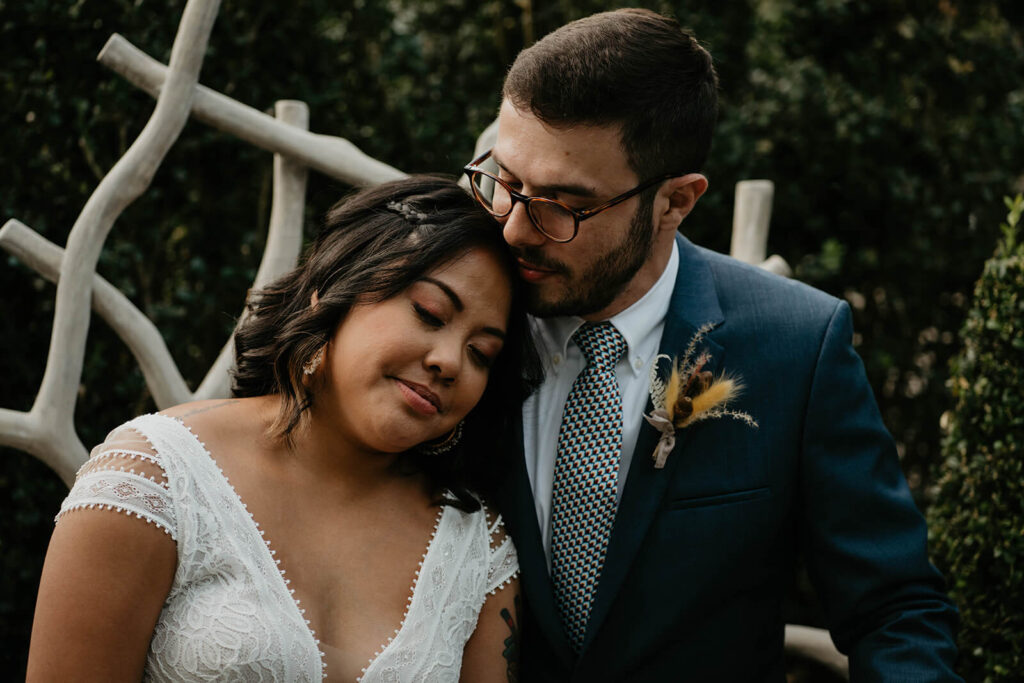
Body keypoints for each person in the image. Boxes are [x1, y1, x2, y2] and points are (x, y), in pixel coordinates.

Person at [462, 8, 962, 681]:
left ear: (675, 201)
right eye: (507, 182)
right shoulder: (455, 321)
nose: (517, 227)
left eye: (564, 204)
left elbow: (893, 610)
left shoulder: (797, 348)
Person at [27, 176, 542, 682]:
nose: (450, 361)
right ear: (329, 290)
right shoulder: (154, 479)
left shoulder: (477, 552)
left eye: (482, 353)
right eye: (429, 313)